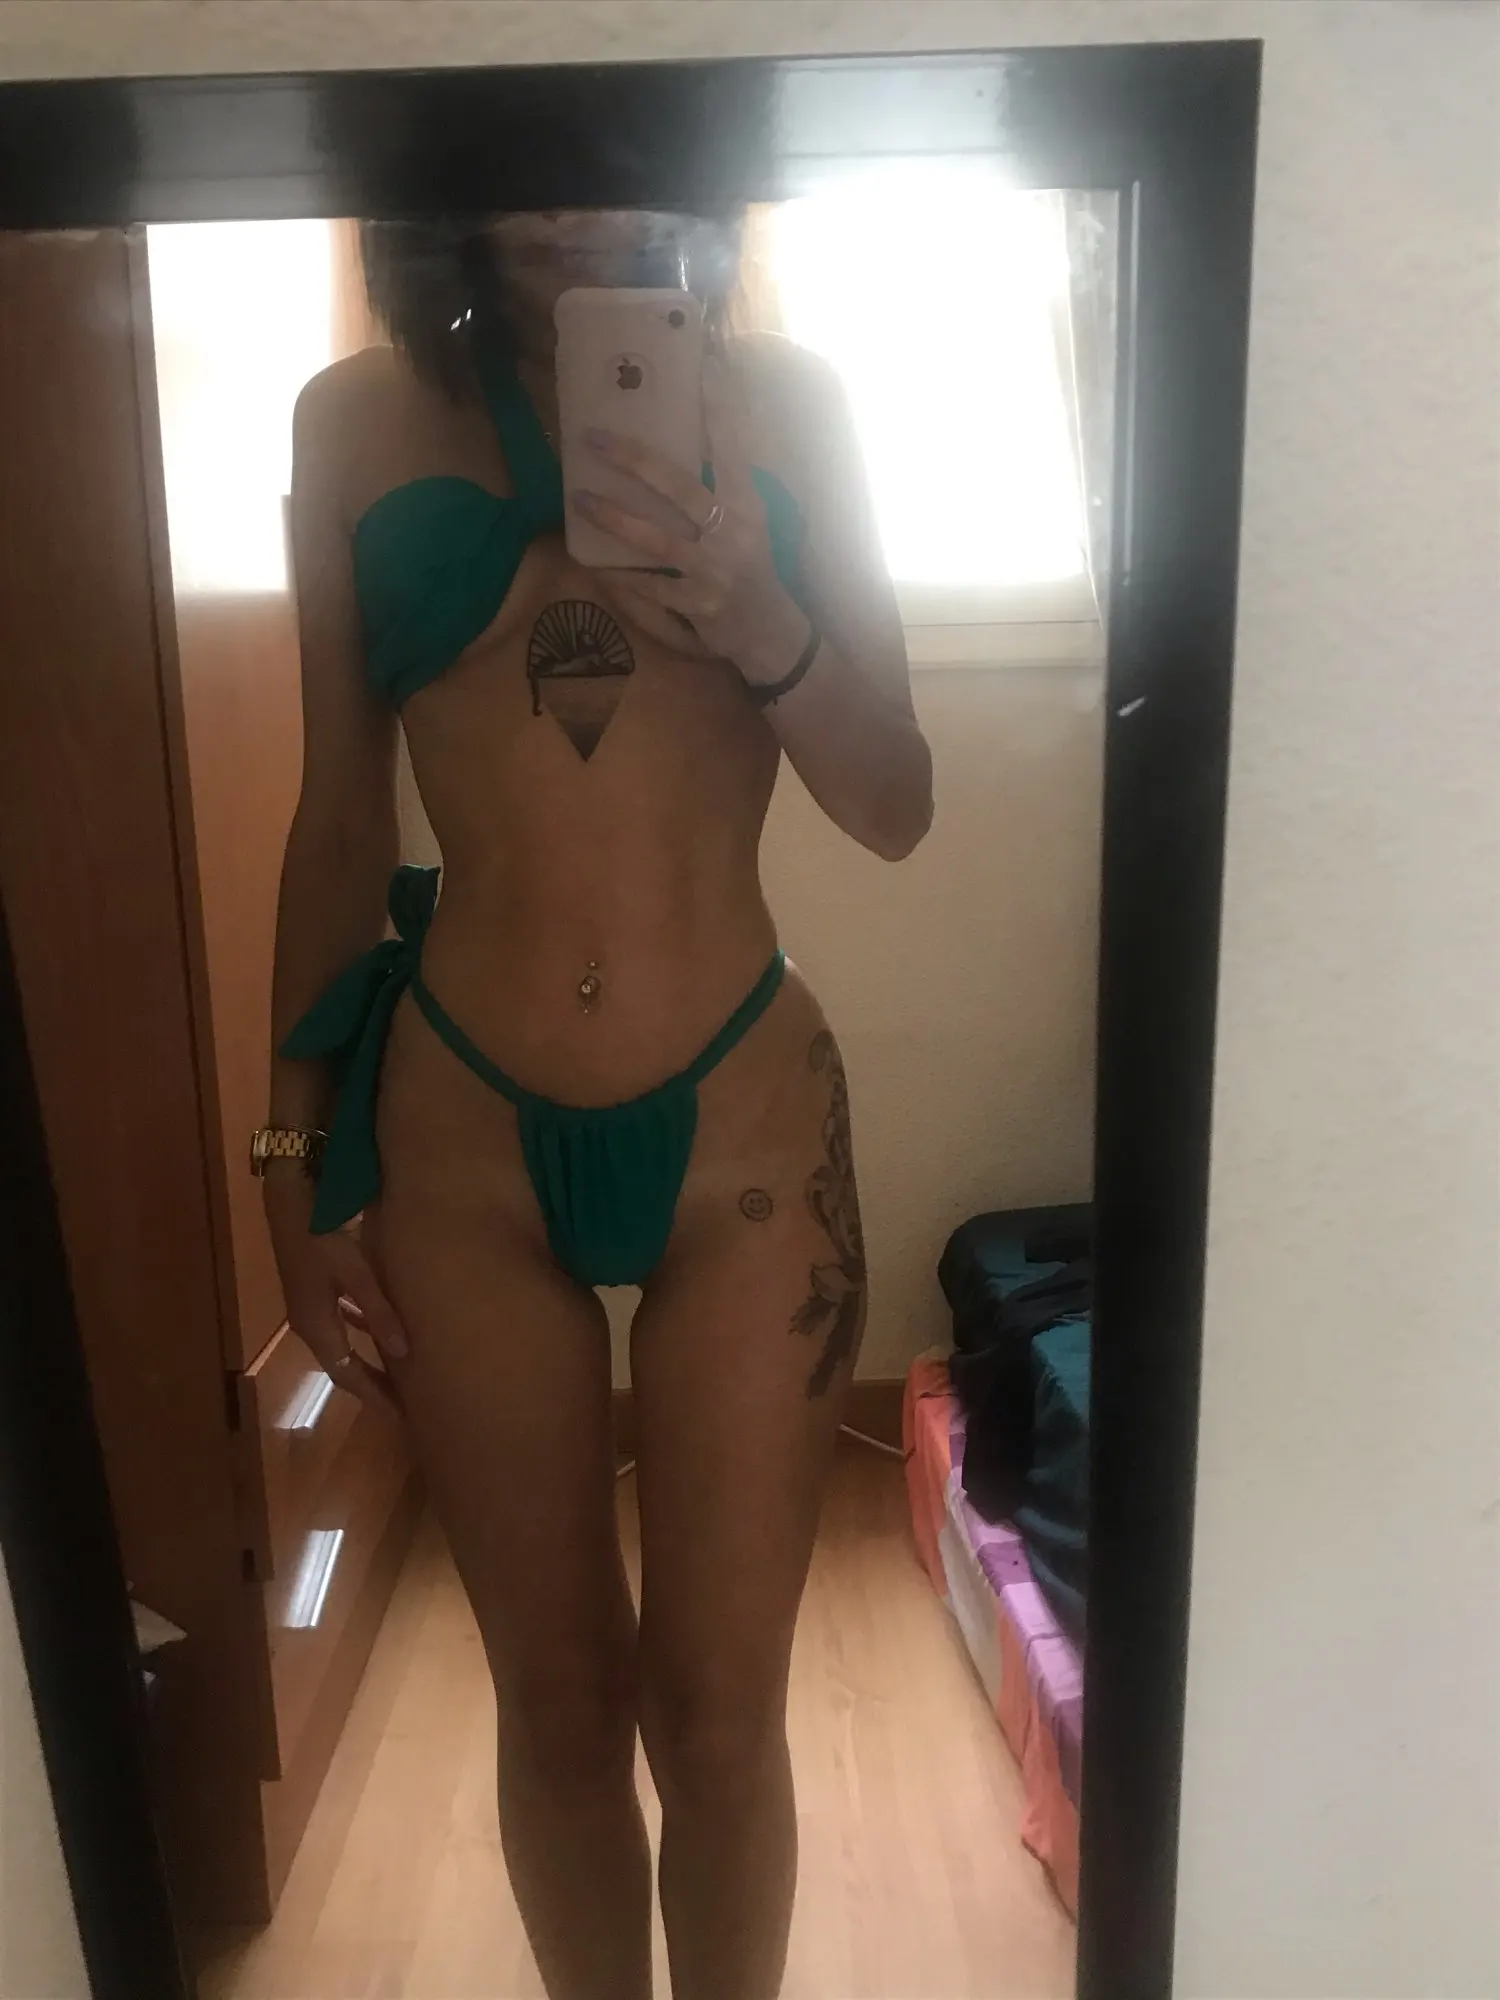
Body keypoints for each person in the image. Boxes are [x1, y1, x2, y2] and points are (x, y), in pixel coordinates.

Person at [256, 207, 932, 2000]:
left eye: (617, 163)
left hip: (746, 1137)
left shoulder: (793, 404)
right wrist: (287, 1160)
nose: (574, 209)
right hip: (459, 1144)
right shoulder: (351, 421)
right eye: (528, 167)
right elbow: (337, 820)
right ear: (448, 189)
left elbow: (896, 801)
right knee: (555, 1706)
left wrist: (764, 618)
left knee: (719, 1718)